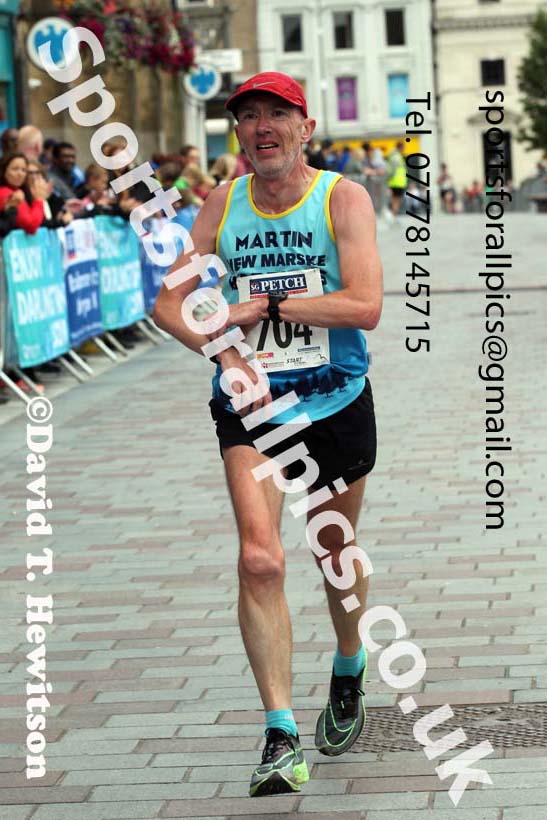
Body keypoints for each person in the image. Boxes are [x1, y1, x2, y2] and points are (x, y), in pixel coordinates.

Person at [153, 71, 382, 798]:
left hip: (334, 396)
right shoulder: (222, 203)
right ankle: (280, 732)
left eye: (276, 114)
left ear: (305, 128)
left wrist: (269, 303)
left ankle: (348, 663)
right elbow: (169, 303)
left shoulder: (340, 197)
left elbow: (366, 305)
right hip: (252, 404)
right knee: (259, 558)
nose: (260, 127)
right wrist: (224, 355)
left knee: (333, 552)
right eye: (247, 117)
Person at [0, 152, 46, 234]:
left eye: (24, 170)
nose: (20, 174)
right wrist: (39, 201)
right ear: (4, 171)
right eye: (15, 169)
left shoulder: (20, 192)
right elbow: (31, 225)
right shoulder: (6, 193)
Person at [386, 141, 407, 216]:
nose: (404, 149)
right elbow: (392, 169)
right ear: (400, 148)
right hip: (396, 182)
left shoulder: (396, 156)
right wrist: (388, 179)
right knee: (396, 199)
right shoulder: (396, 157)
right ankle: (393, 215)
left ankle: (394, 215)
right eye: (404, 148)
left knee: (396, 200)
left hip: (397, 182)